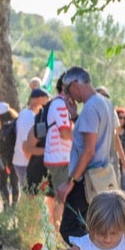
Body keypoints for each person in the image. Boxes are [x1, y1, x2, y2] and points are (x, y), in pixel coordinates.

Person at [56, 67, 125, 244]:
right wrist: (75, 116)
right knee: (91, 227)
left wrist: (70, 182)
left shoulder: (90, 108)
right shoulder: (105, 103)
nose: (69, 96)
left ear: (75, 84)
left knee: (69, 229)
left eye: (67, 90)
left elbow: (89, 150)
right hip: (101, 177)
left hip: (86, 180)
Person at [44, 82, 74, 226]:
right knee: (62, 198)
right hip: (60, 157)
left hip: (58, 156)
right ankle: (57, 232)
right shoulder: (60, 104)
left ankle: (55, 230)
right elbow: (64, 132)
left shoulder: (59, 103)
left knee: (59, 197)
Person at [19, 87, 52, 194]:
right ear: (40, 98)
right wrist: (48, 151)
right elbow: (26, 147)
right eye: (47, 98)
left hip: (27, 163)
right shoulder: (32, 118)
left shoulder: (26, 114)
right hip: (30, 165)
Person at [0, 102, 19, 208]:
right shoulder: (16, 124)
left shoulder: (5, 128)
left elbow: (5, 147)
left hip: (7, 160)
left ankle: (7, 206)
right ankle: (14, 206)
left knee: (4, 184)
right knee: (14, 183)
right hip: (15, 158)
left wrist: (7, 163)